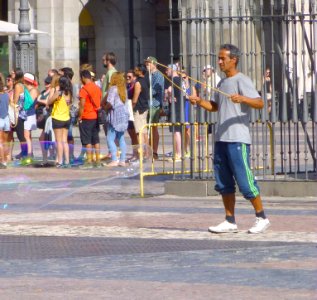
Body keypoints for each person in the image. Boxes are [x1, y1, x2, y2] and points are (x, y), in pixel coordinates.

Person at [189, 44, 270, 234]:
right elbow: (216, 106)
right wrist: (200, 101)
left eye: (222, 58)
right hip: (221, 139)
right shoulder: (221, 84)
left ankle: (261, 217)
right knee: (223, 181)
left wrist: (243, 99)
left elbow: (259, 102)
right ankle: (229, 220)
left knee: (245, 180)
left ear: (233, 59)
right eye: (218, 58)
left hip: (238, 139)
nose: (219, 62)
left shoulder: (242, 80)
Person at [103, 72, 129, 167]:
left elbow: (109, 102)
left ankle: (114, 159)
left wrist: (105, 108)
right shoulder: (123, 89)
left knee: (110, 138)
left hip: (115, 115)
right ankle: (122, 160)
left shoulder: (113, 89)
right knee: (121, 138)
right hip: (123, 115)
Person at [78, 70, 102, 168]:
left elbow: (82, 106)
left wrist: (79, 117)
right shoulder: (97, 88)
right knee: (95, 140)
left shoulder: (84, 89)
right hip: (95, 116)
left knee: (87, 140)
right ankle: (98, 161)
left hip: (86, 117)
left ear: (83, 77)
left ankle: (89, 161)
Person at [48, 76, 72, 168]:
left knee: (59, 141)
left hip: (58, 118)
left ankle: (60, 161)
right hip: (66, 118)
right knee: (64, 141)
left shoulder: (59, 93)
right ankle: (67, 161)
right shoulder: (69, 93)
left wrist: (55, 91)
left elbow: (49, 101)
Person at [144, 56, 164, 160]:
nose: (147, 65)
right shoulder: (148, 75)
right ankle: (149, 151)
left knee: (153, 129)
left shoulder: (158, 75)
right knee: (148, 129)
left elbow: (155, 90)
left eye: (148, 63)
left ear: (154, 64)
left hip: (154, 105)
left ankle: (154, 151)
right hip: (147, 104)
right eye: (146, 63)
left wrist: (143, 91)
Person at [132, 64, 150, 158]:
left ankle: (141, 154)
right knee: (144, 132)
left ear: (140, 71)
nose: (134, 70)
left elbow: (135, 99)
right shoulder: (146, 81)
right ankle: (147, 153)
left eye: (136, 69)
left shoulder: (138, 83)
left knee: (139, 132)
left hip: (138, 109)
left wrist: (131, 106)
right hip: (145, 108)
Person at [23, 73, 39, 160]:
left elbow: (29, 103)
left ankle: (29, 155)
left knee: (26, 135)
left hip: (29, 115)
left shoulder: (33, 90)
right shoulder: (27, 90)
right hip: (26, 114)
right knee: (27, 135)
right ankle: (29, 153)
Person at [126, 69, 138, 160]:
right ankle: (134, 153)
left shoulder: (135, 86)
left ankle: (137, 154)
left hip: (133, 111)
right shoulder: (128, 86)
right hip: (128, 111)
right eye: (127, 77)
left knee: (135, 134)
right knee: (131, 133)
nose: (128, 78)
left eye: (130, 77)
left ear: (134, 77)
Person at [0, 73, 10, 168]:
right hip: (6, 119)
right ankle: (5, 160)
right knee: (5, 141)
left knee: (0, 141)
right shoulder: (6, 94)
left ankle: (2, 161)